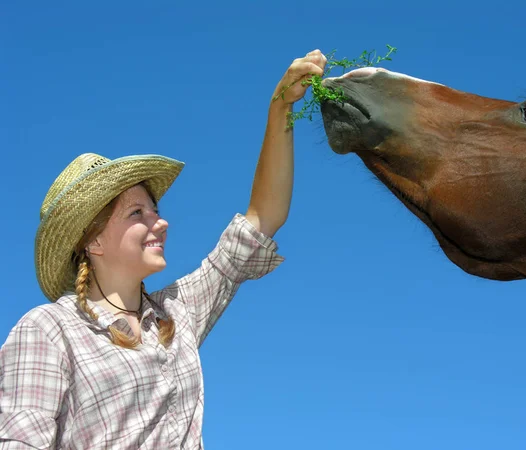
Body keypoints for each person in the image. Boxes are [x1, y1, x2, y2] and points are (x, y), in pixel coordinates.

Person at [0, 49, 327, 449]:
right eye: (137, 212)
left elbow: (263, 218)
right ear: (93, 240)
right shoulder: (48, 330)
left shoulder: (179, 312)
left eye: (156, 209)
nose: (161, 221)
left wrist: (280, 110)